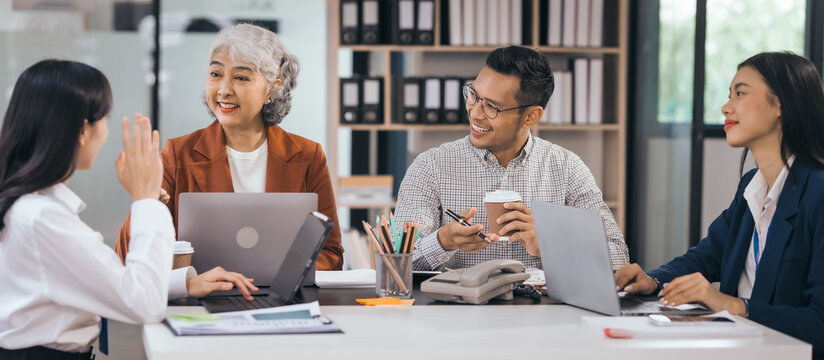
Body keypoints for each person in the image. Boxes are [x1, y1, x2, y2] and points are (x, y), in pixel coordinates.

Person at [614, 52, 824, 358]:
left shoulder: (817, 191)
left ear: (781, 104)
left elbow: (819, 322)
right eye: (729, 96)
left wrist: (735, 306)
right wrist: (652, 281)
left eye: (740, 93)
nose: (726, 107)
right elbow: (706, 257)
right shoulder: (752, 187)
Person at [115, 23, 344, 273]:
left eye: (241, 77)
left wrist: (283, 275)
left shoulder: (308, 156)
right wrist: (145, 200)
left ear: (272, 88)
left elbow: (330, 254)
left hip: (281, 301)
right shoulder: (177, 155)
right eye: (216, 74)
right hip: (203, 301)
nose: (224, 90)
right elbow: (129, 259)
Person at [394, 46, 628, 271]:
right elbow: (397, 263)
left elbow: (618, 256)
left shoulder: (567, 169)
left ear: (531, 116)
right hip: (457, 308)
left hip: (542, 310)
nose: (475, 113)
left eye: (492, 107)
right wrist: (444, 241)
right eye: (473, 95)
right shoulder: (430, 167)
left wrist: (550, 243)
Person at [0, 60, 171, 358]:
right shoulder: (41, 216)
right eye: (104, 119)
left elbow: (96, 276)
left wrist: (183, 283)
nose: (106, 132)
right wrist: (145, 200)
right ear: (82, 130)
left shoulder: (30, 206)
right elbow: (144, 303)